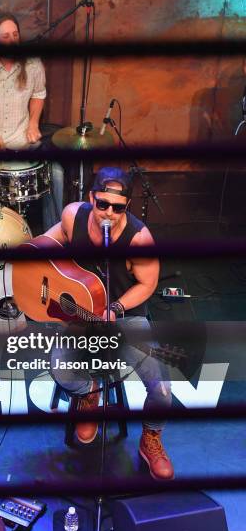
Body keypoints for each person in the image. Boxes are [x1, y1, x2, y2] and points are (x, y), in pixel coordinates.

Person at [42, 167, 174, 481]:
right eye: (102, 204)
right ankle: (90, 393)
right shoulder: (74, 216)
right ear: (91, 198)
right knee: (59, 369)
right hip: (81, 316)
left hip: (125, 317)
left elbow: (147, 283)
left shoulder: (139, 238)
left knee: (162, 390)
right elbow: (50, 238)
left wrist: (116, 307)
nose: (109, 213)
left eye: (118, 208)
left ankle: (151, 438)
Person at [0, 10, 63, 229]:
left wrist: (34, 122)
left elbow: (39, 94)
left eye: (15, 35)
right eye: (5, 37)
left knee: (56, 174)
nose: (12, 41)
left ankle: (53, 239)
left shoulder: (32, 63)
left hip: (22, 138)